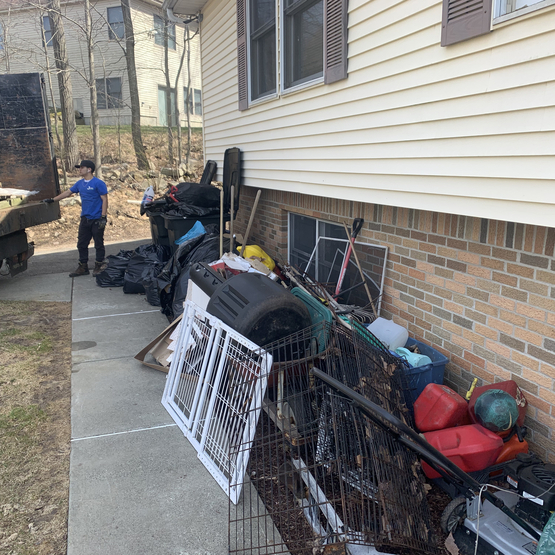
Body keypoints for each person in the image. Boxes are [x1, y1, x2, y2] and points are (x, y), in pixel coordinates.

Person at [44, 160, 108, 277]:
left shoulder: (98, 183)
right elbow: (68, 193)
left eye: (81, 167)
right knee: (81, 244)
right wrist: (53, 200)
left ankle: (99, 265)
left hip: (97, 218)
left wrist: (103, 217)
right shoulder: (79, 184)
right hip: (85, 218)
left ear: (89, 169)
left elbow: (104, 199)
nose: (79, 169)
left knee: (98, 243)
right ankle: (83, 267)